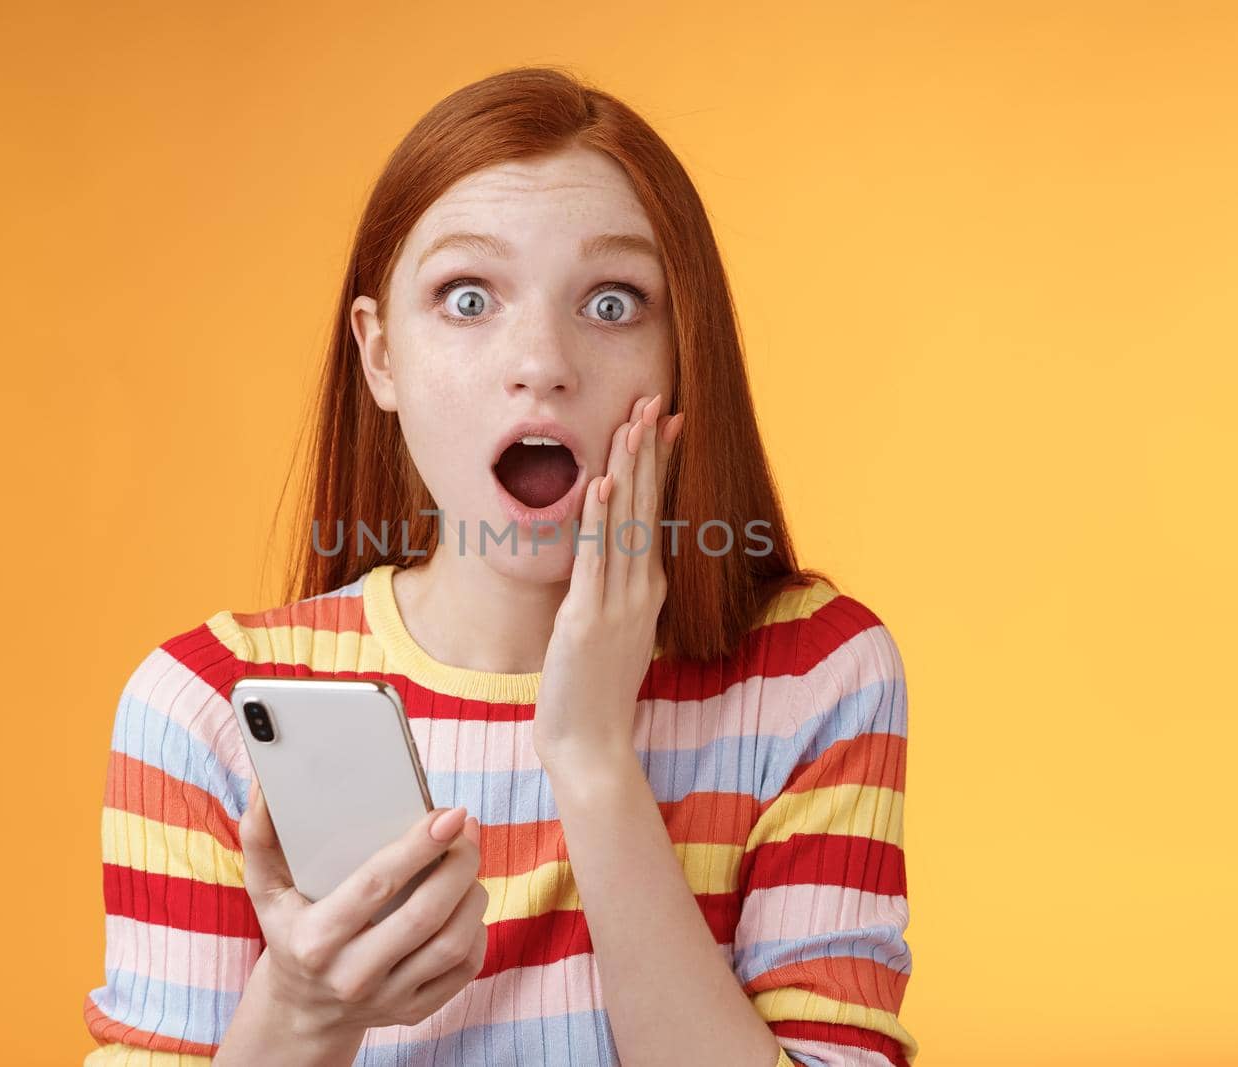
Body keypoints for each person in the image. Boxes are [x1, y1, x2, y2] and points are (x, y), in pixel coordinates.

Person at [82, 65, 917, 1067]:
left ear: (682, 357)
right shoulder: (207, 707)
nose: (542, 360)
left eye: (612, 302)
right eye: (467, 297)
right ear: (380, 355)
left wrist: (593, 756)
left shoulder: (813, 675)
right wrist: (303, 1011)